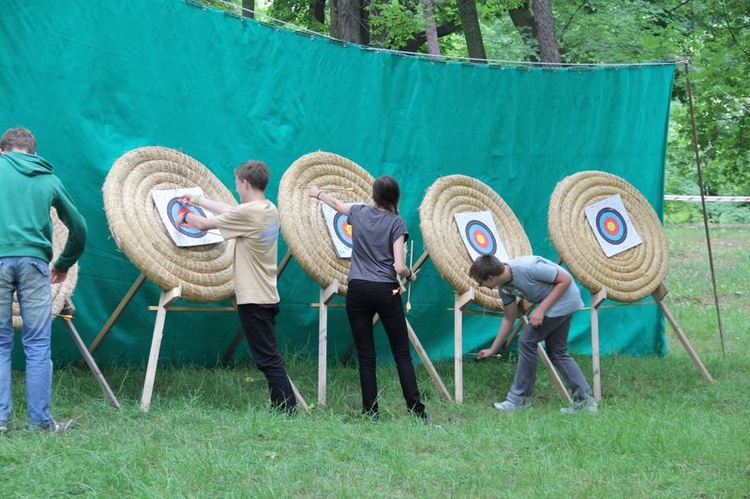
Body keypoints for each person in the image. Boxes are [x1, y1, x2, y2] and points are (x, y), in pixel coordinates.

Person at [176, 160, 296, 414]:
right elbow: (230, 210)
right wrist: (198, 201)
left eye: (237, 185)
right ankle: (283, 406)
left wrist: (184, 216)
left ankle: (286, 410)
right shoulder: (268, 208)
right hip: (267, 295)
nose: (236, 189)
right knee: (269, 356)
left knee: (267, 359)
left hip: (254, 299)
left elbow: (203, 225)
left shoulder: (249, 213)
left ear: (245, 183)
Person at [310, 176, 432, 424]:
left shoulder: (359, 212)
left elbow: (336, 203)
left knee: (366, 356)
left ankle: (371, 413)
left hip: (357, 289)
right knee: (402, 355)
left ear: (374, 195)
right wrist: (412, 274)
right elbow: (399, 267)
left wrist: (318, 193)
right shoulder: (397, 222)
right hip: (386, 291)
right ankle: (417, 414)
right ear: (395, 198)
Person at [0, 127, 87, 432]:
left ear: (2, 150)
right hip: (36, 264)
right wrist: (63, 264)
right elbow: (79, 228)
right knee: (37, 344)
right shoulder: (48, 178)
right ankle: (39, 422)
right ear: (33, 152)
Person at [469, 254, 597, 414]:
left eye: (481, 283)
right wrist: (493, 349)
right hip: (559, 303)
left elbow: (565, 280)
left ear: (490, 277)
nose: (482, 287)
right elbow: (509, 318)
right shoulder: (504, 287)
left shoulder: (528, 267)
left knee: (526, 341)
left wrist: (541, 309)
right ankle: (585, 403)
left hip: (565, 300)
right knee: (557, 352)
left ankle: (519, 400)